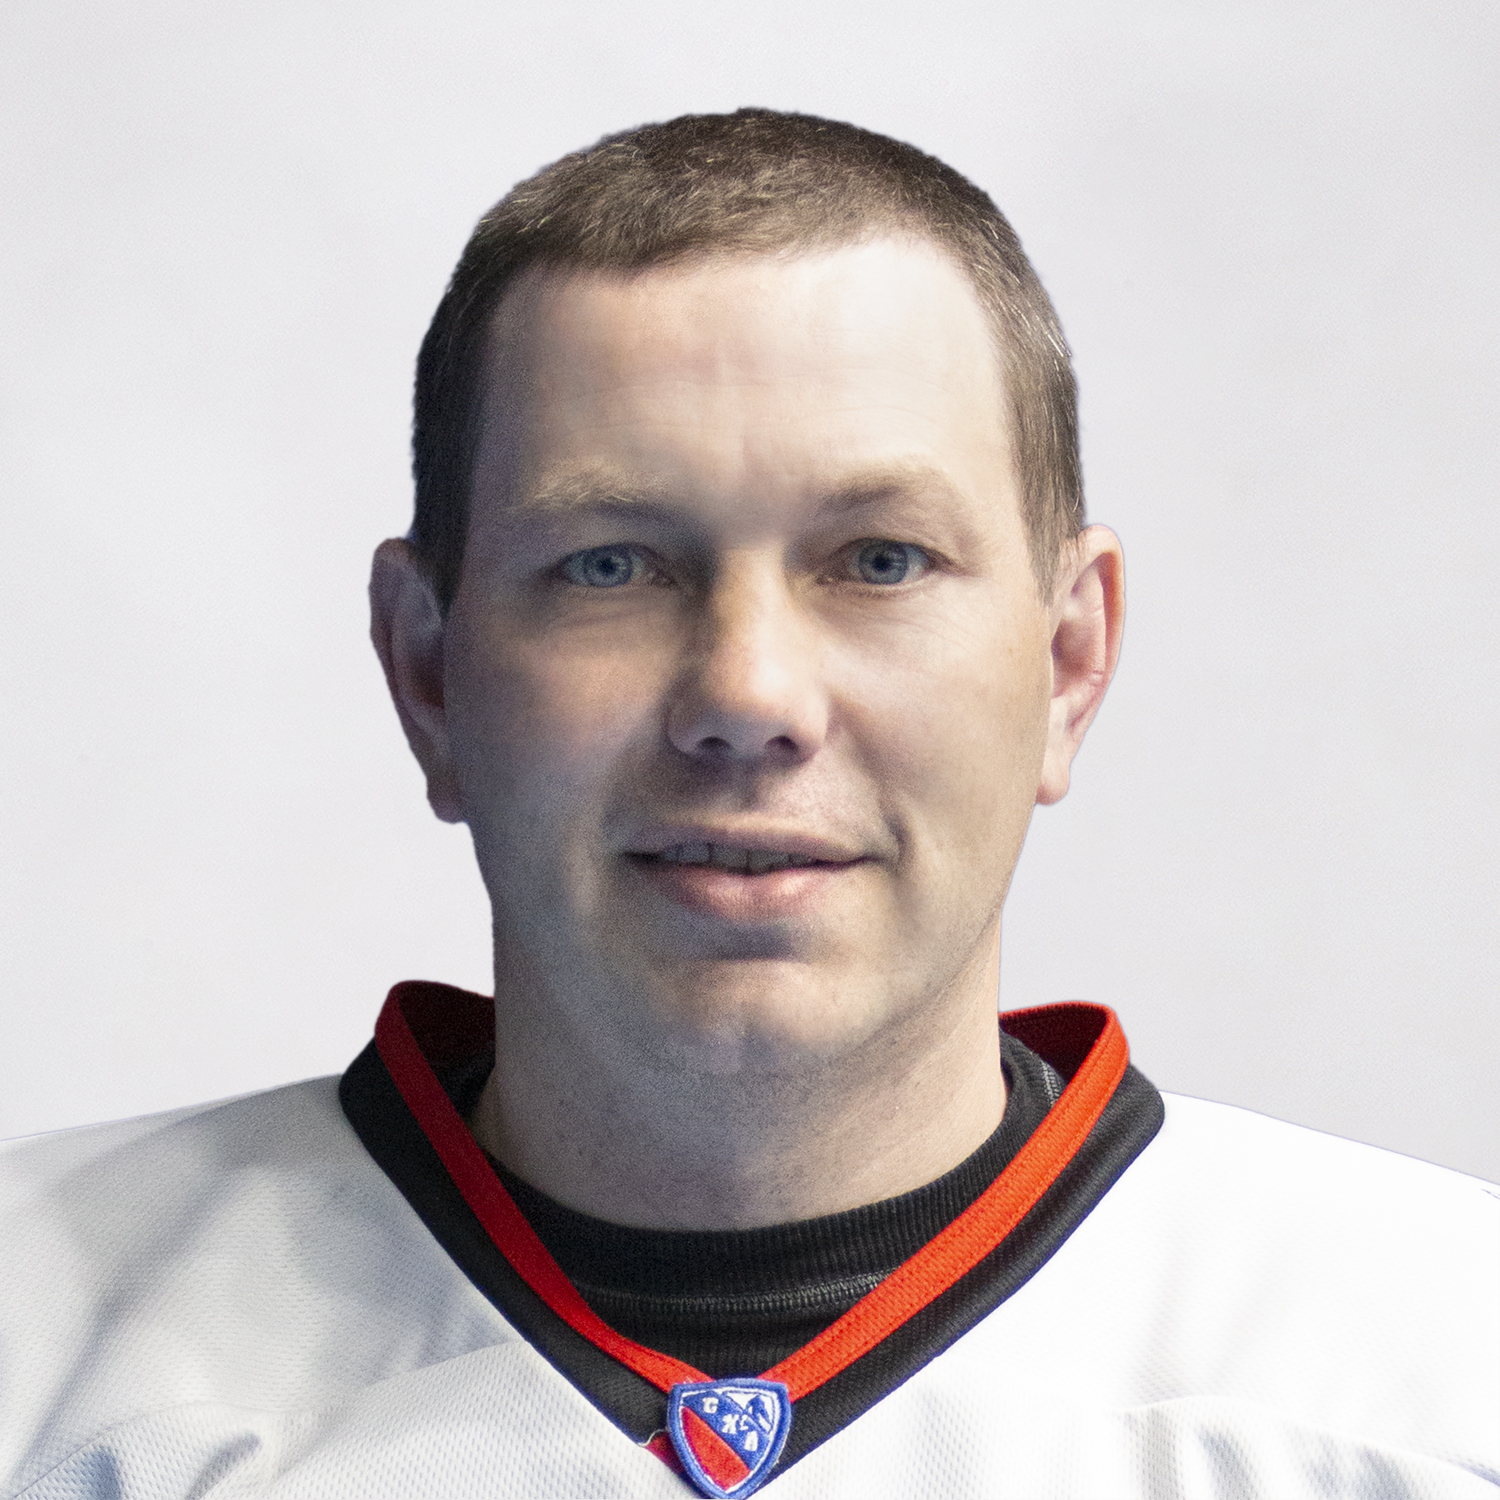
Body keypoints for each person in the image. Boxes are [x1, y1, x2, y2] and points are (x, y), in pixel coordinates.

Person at [0, 109, 1494, 1500]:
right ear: (430, 672)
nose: (748, 695)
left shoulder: (1442, 1388)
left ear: (1066, 662)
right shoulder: (37, 1366)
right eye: (609, 564)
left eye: (882, 560)